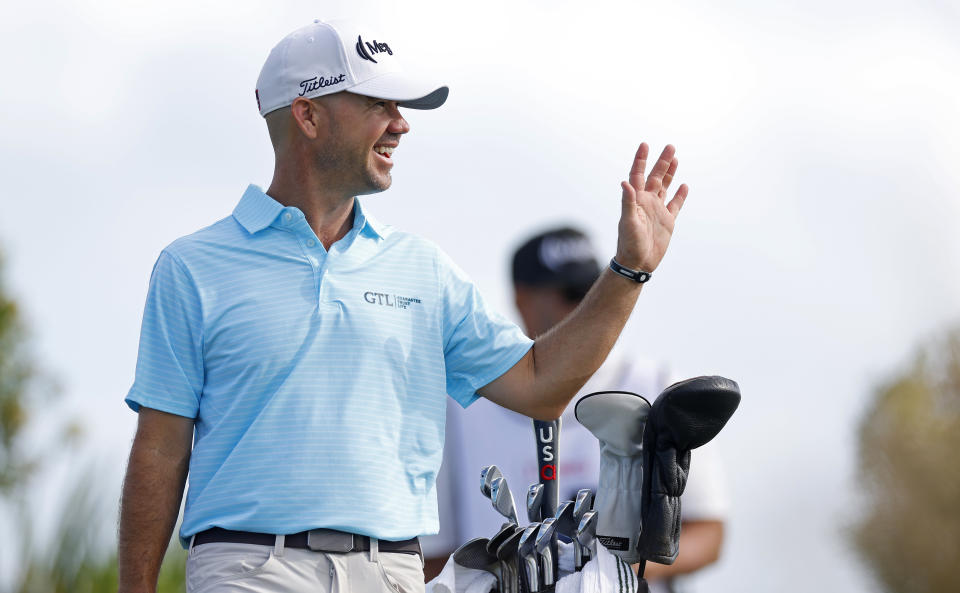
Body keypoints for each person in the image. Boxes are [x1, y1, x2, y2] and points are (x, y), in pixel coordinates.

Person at [116, 17, 691, 593]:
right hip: (250, 569)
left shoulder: (426, 270)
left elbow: (543, 386)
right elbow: (160, 451)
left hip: (392, 573)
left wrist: (628, 272)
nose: (401, 125)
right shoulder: (192, 267)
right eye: (378, 104)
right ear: (309, 114)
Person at [421, 228, 729, 592]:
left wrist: (615, 572)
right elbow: (432, 557)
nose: (589, 309)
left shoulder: (656, 384)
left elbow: (709, 532)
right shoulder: (457, 405)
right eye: (572, 295)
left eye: (594, 292)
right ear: (522, 299)